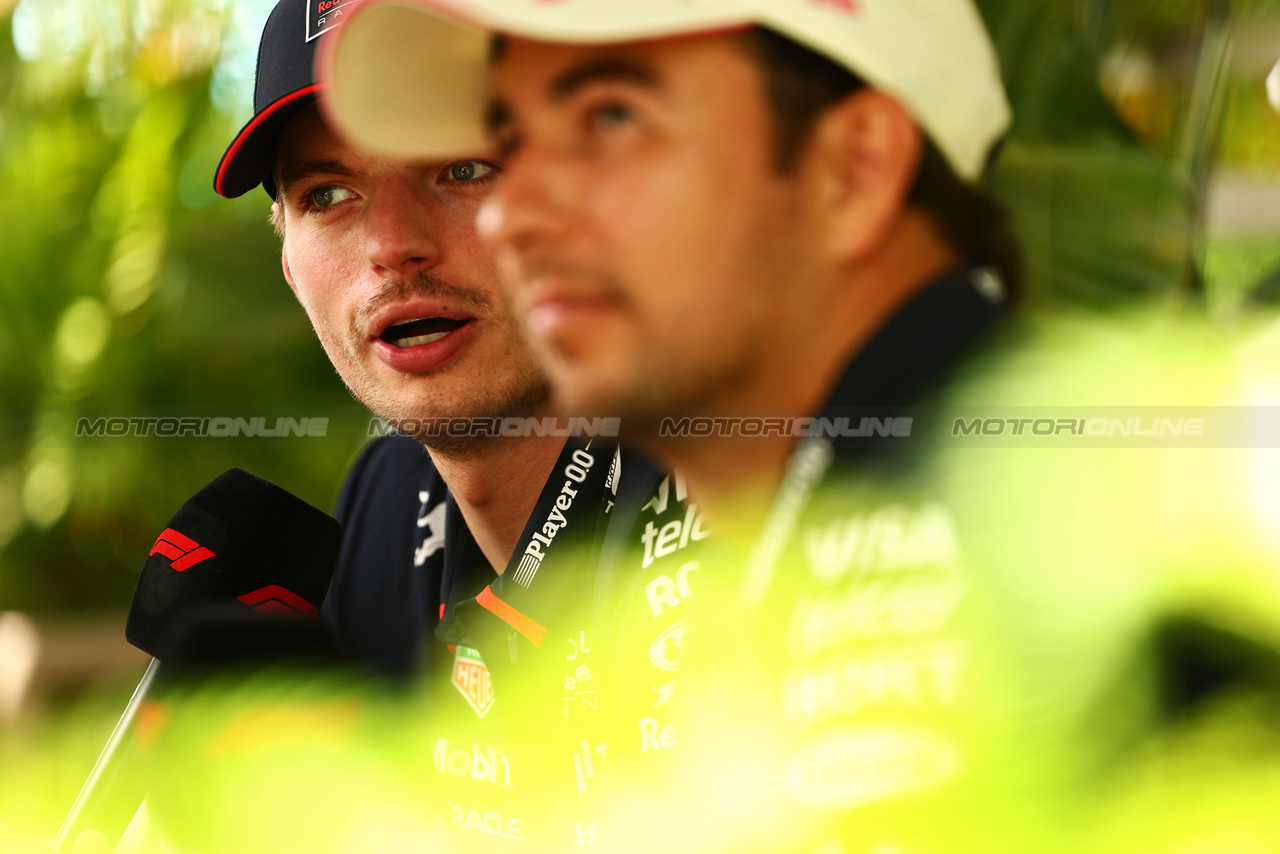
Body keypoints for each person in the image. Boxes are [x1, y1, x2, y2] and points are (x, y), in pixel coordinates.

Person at [317, 2, 1280, 852]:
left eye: (610, 117)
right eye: (513, 143)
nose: (511, 215)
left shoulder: (986, 560)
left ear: (855, 170)